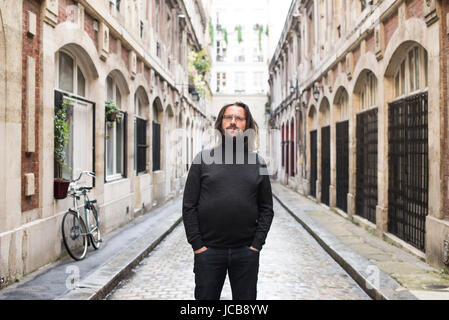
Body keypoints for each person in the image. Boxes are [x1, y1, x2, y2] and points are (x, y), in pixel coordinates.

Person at [182, 101, 274, 300]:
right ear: (220, 124)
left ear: (247, 125)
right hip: (208, 252)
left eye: (239, 118)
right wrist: (198, 246)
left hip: (245, 253)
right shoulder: (202, 159)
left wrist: (256, 245)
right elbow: (189, 207)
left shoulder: (258, 163)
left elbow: (267, 208)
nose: (233, 122)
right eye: (228, 117)